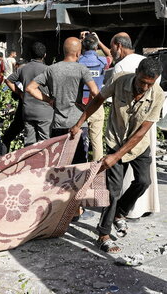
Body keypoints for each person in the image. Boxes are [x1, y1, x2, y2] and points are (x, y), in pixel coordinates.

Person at [70, 57, 164, 253]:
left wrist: (115, 157)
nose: (144, 87)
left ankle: (119, 212)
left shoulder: (158, 95)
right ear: (136, 72)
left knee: (144, 182)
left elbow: (141, 132)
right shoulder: (120, 80)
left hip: (138, 146)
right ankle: (103, 233)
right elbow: (98, 99)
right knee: (113, 190)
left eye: (149, 83)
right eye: (142, 82)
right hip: (116, 140)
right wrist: (80, 123)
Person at [110, 33, 160, 220]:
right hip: (148, 124)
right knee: (144, 175)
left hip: (127, 127)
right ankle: (142, 207)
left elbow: (111, 99)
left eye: (111, 47)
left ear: (118, 46)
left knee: (126, 171)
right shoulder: (147, 62)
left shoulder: (121, 67)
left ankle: (124, 211)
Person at [27, 37, 99, 163]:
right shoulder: (82, 69)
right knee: (79, 164)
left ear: (64, 51)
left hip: (58, 124)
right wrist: (86, 107)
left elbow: (30, 88)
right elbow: (95, 92)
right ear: (78, 52)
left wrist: (49, 100)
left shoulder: (51, 69)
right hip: (78, 123)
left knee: (59, 163)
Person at [6, 42, 53, 146]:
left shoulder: (23, 68)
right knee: (44, 144)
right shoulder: (48, 70)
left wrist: (20, 93)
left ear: (30, 55)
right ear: (45, 55)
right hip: (44, 111)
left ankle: (30, 162)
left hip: (28, 110)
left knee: (29, 144)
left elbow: (8, 80)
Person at [79, 33, 108, 161]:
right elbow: (111, 55)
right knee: (96, 139)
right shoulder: (102, 61)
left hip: (79, 104)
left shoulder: (77, 61)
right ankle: (97, 169)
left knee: (78, 139)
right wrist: (99, 40)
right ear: (96, 48)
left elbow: (72, 53)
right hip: (96, 103)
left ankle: (79, 165)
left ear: (83, 47)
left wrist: (81, 41)